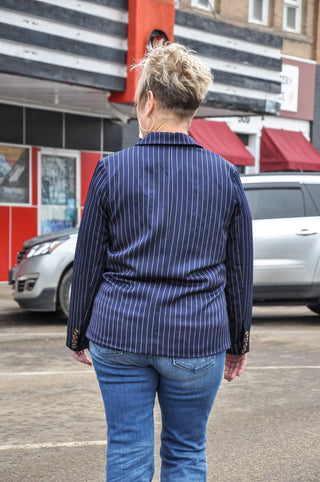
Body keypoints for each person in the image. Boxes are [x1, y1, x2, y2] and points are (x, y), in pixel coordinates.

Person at [66, 42, 253, 481]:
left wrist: (77, 331)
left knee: (128, 449)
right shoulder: (225, 175)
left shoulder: (113, 171)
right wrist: (238, 342)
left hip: (120, 333)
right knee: (186, 453)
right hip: (196, 337)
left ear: (150, 101)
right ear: (191, 106)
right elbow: (240, 269)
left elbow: (89, 258)